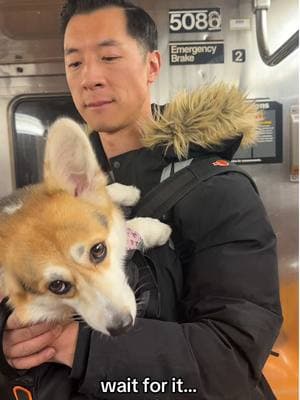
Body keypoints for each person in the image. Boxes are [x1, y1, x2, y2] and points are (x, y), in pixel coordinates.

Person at [1, 0, 283, 399]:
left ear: (152, 66)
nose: (90, 77)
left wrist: (78, 347)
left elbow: (233, 358)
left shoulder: (221, 190)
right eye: (75, 63)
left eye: (109, 57)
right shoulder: (65, 197)